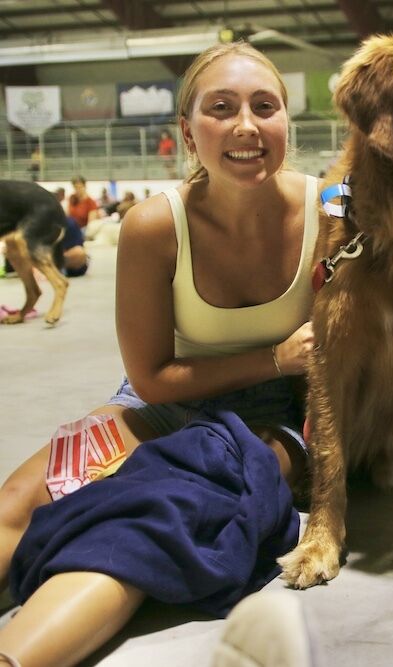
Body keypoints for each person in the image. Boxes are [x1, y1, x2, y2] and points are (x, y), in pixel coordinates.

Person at [0, 41, 317, 667]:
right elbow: (150, 377)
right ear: (188, 131)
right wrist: (277, 357)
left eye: (265, 106)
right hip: (161, 399)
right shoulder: (153, 224)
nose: (246, 125)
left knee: (150, 518)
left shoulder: (332, 208)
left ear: (287, 122)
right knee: (19, 498)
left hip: (273, 424)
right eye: (221, 108)